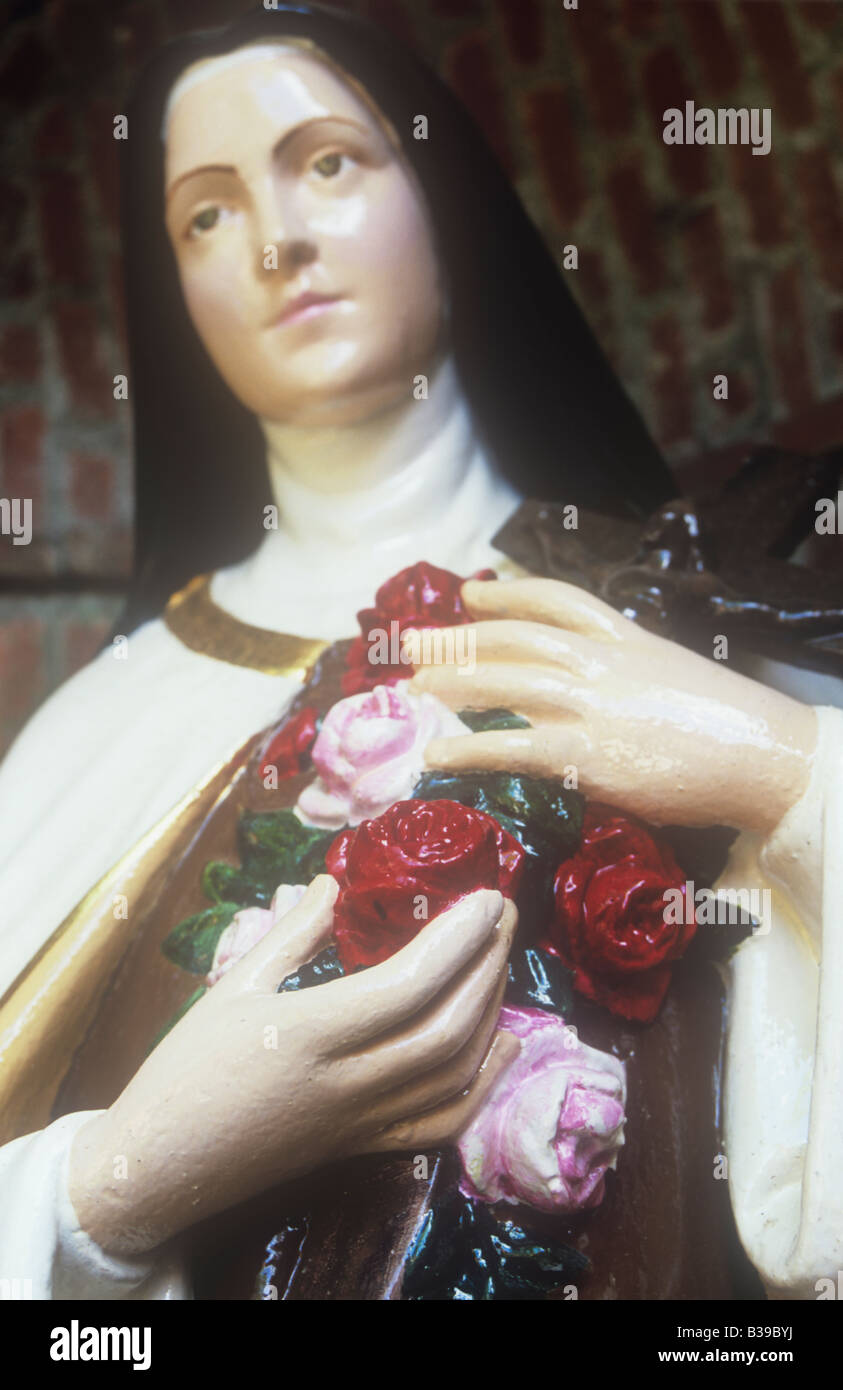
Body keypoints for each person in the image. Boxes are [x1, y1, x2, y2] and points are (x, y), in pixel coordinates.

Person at [0, 4, 838, 1300]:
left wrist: (790, 779)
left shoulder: (686, 599)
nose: (276, 239)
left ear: (443, 192)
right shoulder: (92, 729)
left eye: (329, 160)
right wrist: (111, 1185)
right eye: (205, 214)